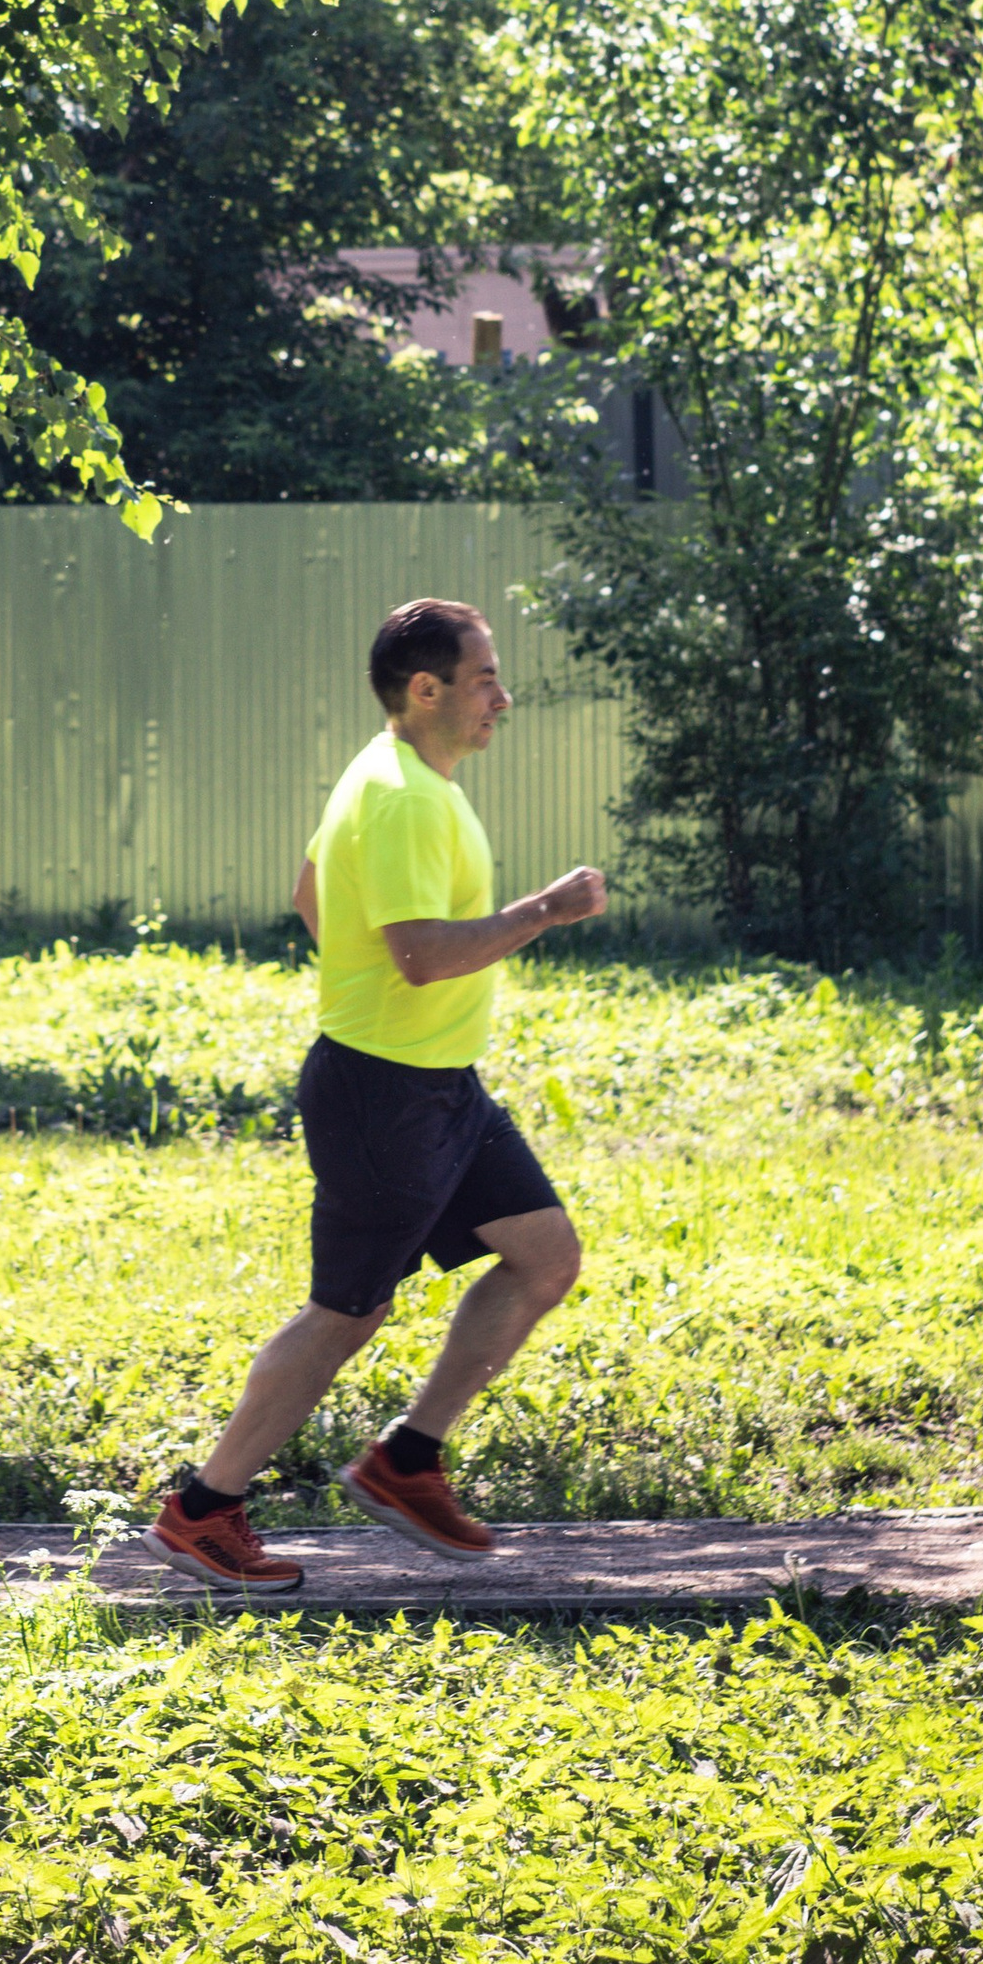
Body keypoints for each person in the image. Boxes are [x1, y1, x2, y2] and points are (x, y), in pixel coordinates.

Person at [152, 596, 606, 1590]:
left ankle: (404, 1461)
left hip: (441, 1089)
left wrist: (376, 997)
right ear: (426, 688)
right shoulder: (401, 796)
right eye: (486, 677)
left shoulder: (402, 779)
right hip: (381, 1098)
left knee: (542, 1257)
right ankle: (203, 1509)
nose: (504, 697)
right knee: (345, 1312)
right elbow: (417, 956)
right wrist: (548, 909)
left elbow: (315, 897)